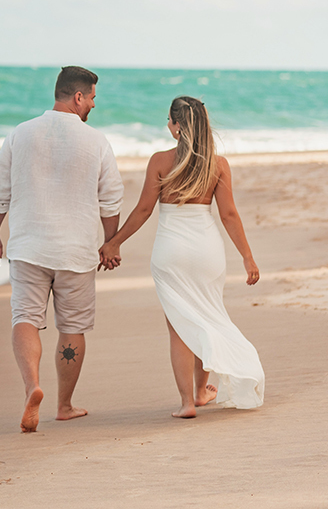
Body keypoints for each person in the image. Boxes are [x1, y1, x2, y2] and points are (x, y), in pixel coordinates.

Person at [99, 96, 264, 417]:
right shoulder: (218, 165)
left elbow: (144, 209)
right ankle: (202, 392)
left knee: (179, 326)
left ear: (176, 127)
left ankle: (188, 402)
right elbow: (229, 215)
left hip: (171, 253)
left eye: (169, 121)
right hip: (207, 252)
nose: (168, 125)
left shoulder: (160, 161)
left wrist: (114, 243)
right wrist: (247, 257)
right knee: (204, 317)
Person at [0, 66, 123, 433]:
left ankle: (33, 386)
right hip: (76, 252)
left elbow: (0, 190)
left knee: (25, 318)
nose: (93, 104)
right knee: (72, 327)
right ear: (78, 97)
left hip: (30, 245)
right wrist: (110, 243)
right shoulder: (96, 142)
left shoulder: (21, 133)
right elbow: (110, 199)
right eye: (92, 97)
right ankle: (63, 406)